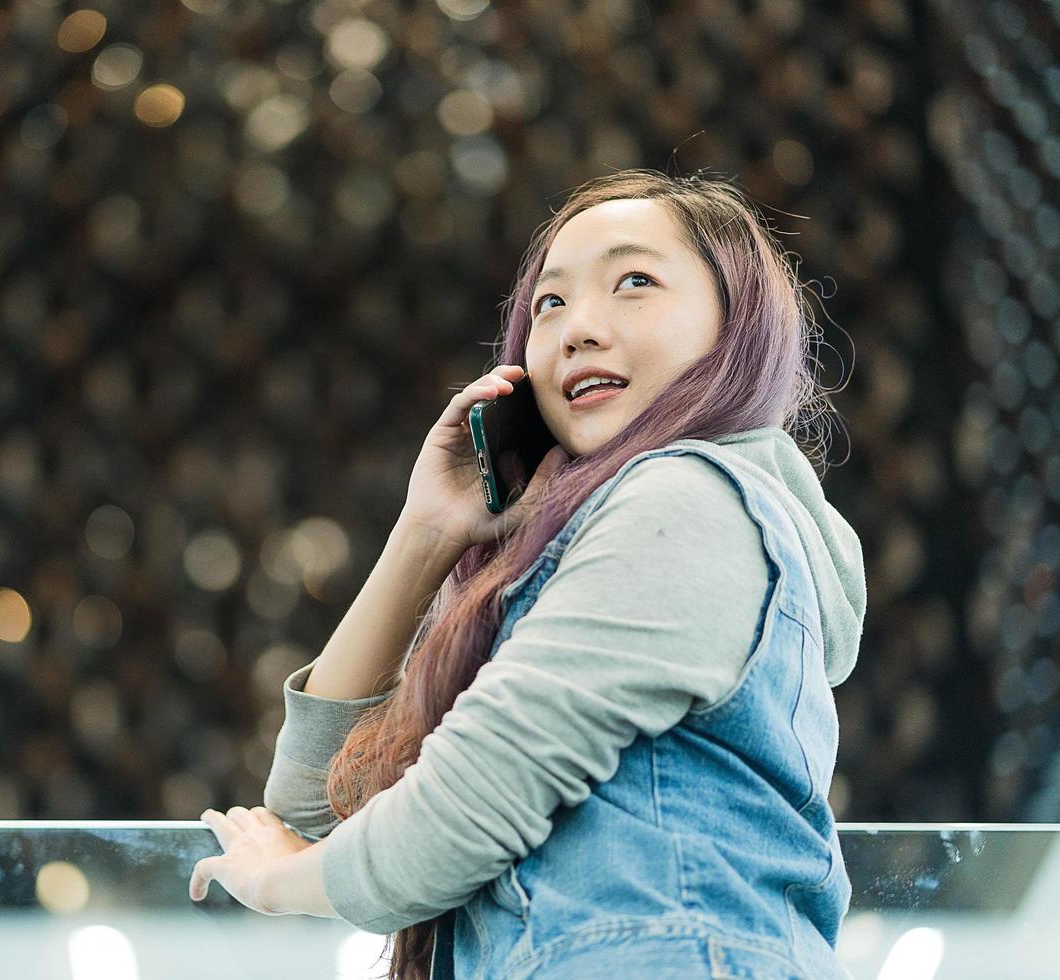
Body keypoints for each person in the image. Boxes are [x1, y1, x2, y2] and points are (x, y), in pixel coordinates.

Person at [189, 169, 866, 980]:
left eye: (635, 283)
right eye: (550, 303)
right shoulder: (619, 536)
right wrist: (425, 533)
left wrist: (277, 884)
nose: (578, 328)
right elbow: (320, 810)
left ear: (737, 326)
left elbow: (470, 801)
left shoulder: (689, 500)